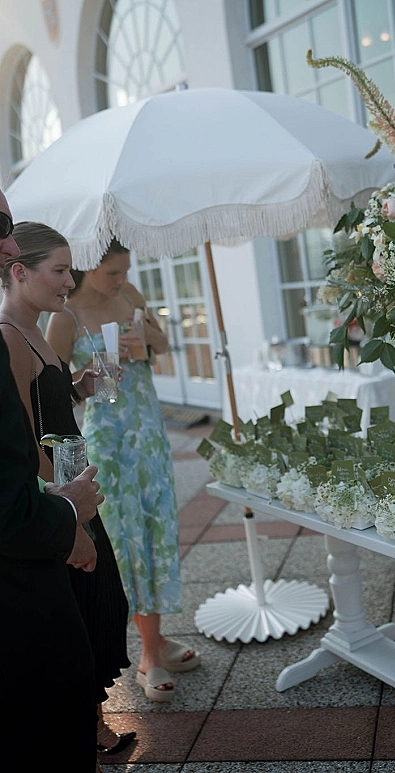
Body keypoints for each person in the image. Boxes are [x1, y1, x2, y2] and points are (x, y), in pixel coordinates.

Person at [0, 221, 136, 767]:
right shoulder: (9, 334)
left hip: (71, 489)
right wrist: (65, 510)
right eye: (58, 270)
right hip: (56, 496)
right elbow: (21, 435)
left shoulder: (37, 327)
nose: (69, 280)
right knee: (87, 599)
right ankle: (86, 726)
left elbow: (50, 409)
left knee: (98, 596)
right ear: (19, 272)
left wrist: (80, 385)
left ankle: (92, 719)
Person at [47, 238, 200, 703]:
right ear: (90, 268)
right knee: (127, 534)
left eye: (125, 270)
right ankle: (148, 654)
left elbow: (164, 342)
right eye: (112, 272)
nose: (121, 279)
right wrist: (87, 374)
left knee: (156, 525)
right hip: (109, 441)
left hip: (149, 431)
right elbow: (51, 392)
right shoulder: (65, 317)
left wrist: (144, 343)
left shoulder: (131, 296)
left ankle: (157, 639)